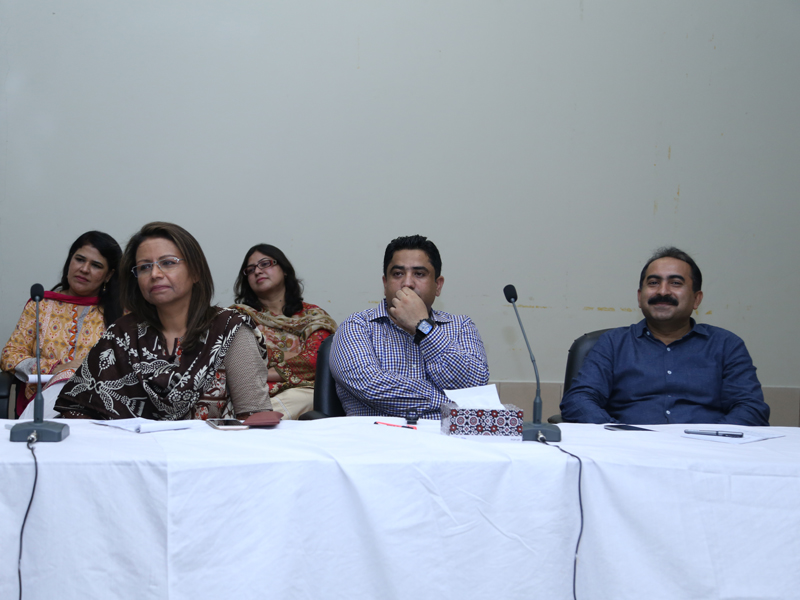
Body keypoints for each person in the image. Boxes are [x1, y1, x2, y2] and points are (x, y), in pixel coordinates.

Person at [55, 222, 273, 420]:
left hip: (210, 450)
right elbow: (78, 411)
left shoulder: (229, 329)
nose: (155, 274)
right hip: (132, 449)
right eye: (144, 267)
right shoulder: (123, 333)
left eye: (168, 263)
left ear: (196, 272)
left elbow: (254, 417)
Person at [560, 247, 770, 426]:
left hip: (706, 451)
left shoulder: (726, 345)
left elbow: (750, 408)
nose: (662, 291)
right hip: (628, 450)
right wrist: (619, 434)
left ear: (696, 299)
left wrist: (711, 441)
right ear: (639, 297)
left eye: (676, 283)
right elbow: (578, 400)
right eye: (653, 283)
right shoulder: (613, 343)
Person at [330, 234, 490, 419]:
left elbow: (475, 385)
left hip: (445, 436)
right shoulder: (357, 325)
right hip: (377, 434)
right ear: (385, 284)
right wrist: (454, 403)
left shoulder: (461, 326)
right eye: (398, 274)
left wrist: (423, 326)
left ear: (438, 286)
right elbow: (372, 387)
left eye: (419, 274)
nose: (407, 283)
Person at [1, 231, 123, 416]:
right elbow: (9, 356)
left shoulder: (122, 314)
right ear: (70, 261)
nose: (84, 269)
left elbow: (128, 366)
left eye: (96, 265)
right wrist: (56, 368)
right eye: (79, 259)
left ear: (109, 275)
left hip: (97, 410)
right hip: (41, 403)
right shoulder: (40, 304)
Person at [230, 244, 337, 419]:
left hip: (302, 395)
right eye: (250, 269)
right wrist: (295, 356)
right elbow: (238, 361)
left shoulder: (313, 316)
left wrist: (263, 371)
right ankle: (256, 421)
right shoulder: (237, 317)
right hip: (251, 393)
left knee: (308, 396)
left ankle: (255, 421)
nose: (257, 271)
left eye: (265, 264)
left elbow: (317, 361)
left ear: (285, 269)